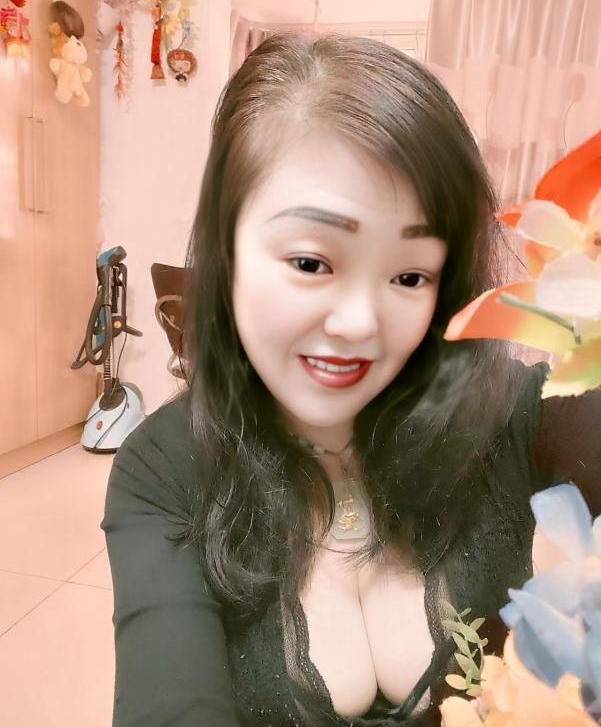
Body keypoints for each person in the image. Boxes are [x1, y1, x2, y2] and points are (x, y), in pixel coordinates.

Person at [100, 32, 601, 727]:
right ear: (227, 248)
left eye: (409, 275)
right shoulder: (164, 470)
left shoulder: (525, 414)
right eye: (311, 262)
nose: (362, 323)